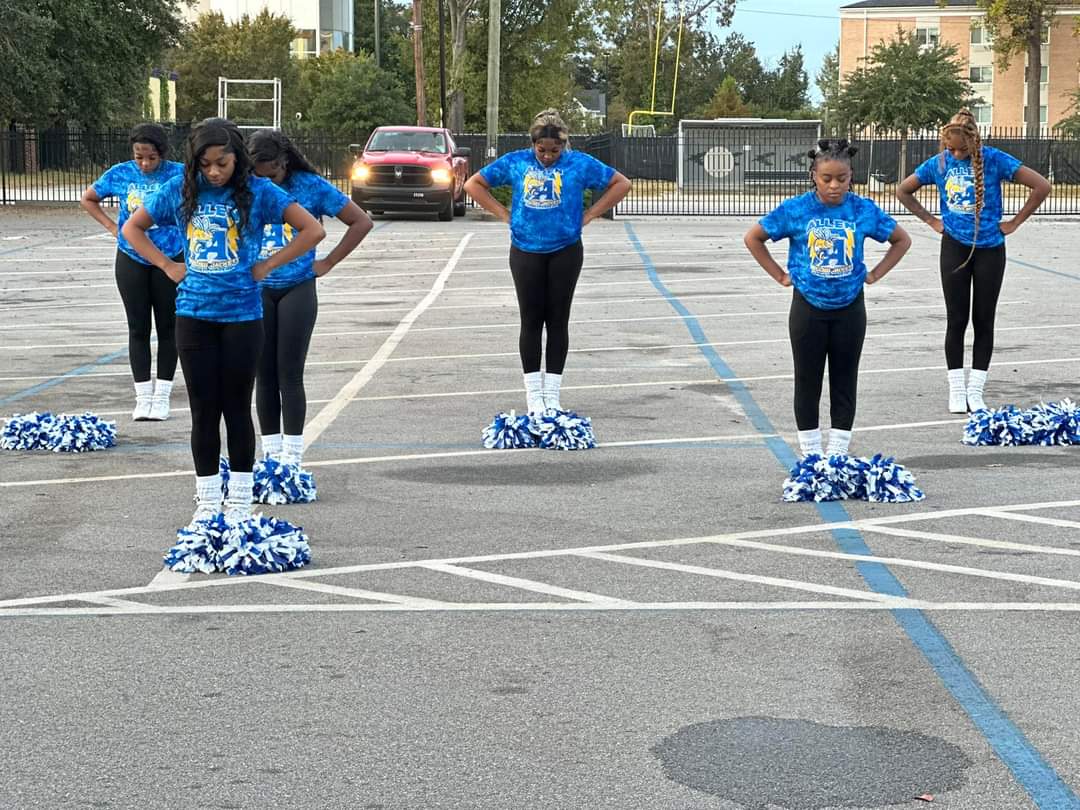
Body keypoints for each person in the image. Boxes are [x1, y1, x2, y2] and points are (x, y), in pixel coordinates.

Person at [121, 118, 325, 526]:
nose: (214, 172)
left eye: (223, 163)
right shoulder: (179, 192)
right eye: (206, 164)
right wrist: (166, 264)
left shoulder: (259, 192)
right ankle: (208, 499)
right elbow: (132, 227)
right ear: (194, 162)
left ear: (238, 160)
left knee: (236, 407)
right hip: (194, 316)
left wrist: (268, 264)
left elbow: (312, 230)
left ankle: (241, 501)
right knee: (203, 410)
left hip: (243, 318)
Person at [744, 138, 911, 459]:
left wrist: (874, 274)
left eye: (842, 179)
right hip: (808, 308)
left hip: (850, 308)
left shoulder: (862, 209)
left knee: (844, 380)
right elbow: (754, 237)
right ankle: (810, 455)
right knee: (807, 380)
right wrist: (781, 275)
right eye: (826, 179)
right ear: (813, 177)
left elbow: (901, 240)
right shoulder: (796, 209)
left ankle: (837, 454)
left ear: (851, 176)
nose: (834, 186)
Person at [463, 109, 632, 415]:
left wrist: (590, 214)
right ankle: (533, 393)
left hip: (565, 250)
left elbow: (620, 183)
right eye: (542, 150)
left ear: (564, 146)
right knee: (531, 319)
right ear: (533, 144)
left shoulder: (579, 163)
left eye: (555, 151)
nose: (548, 157)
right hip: (525, 250)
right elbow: (473, 184)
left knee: (557, 319)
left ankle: (552, 392)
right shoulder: (517, 162)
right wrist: (505, 215)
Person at [897, 109, 1050, 413]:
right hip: (954, 246)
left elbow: (1042, 186)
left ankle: (976, 389)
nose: (955, 153)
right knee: (956, 319)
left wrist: (1014, 223)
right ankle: (956, 388)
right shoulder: (939, 163)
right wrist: (931, 221)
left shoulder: (995, 159)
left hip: (990, 249)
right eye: (950, 148)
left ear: (974, 141)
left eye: (961, 149)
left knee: (984, 319)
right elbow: (903, 190)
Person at [248, 129, 373, 468]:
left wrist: (328, 261)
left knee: (289, 372)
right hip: (256, 291)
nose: (267, 183)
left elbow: (361, 221)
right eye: (260, 176)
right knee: (264, 374)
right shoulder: (248, 187)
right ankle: (270, 454)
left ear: (284, 162)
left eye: (272, 174)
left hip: (297, 286)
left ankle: (292, 455)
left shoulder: (310, 186)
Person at [80, 123, 184, 421]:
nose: (145, 163)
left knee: (168, 327)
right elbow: (89, 198)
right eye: (139, 156)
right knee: (138, 328)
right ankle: (142, 395)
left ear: (161, 153)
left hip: (171, 258)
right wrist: (114, 227)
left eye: (151, 157)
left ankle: (162, 395)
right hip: (131, 258)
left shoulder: (178, 174)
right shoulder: (122, 173)